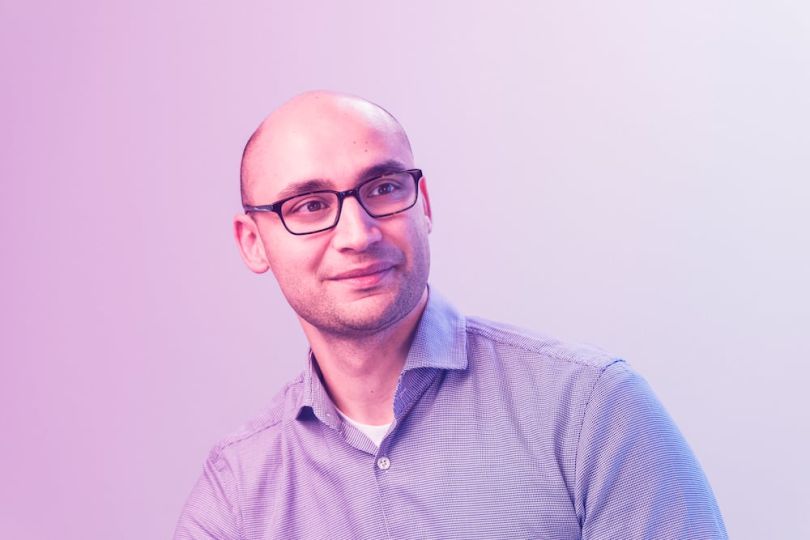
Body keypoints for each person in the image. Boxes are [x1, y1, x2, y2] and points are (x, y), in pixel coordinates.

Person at [174, 91, 727, 539]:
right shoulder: (237, 490)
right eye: (310, 206)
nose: (358, 234)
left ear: (425, 204)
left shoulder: (589, 410)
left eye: (383, 188)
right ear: (252, 243)